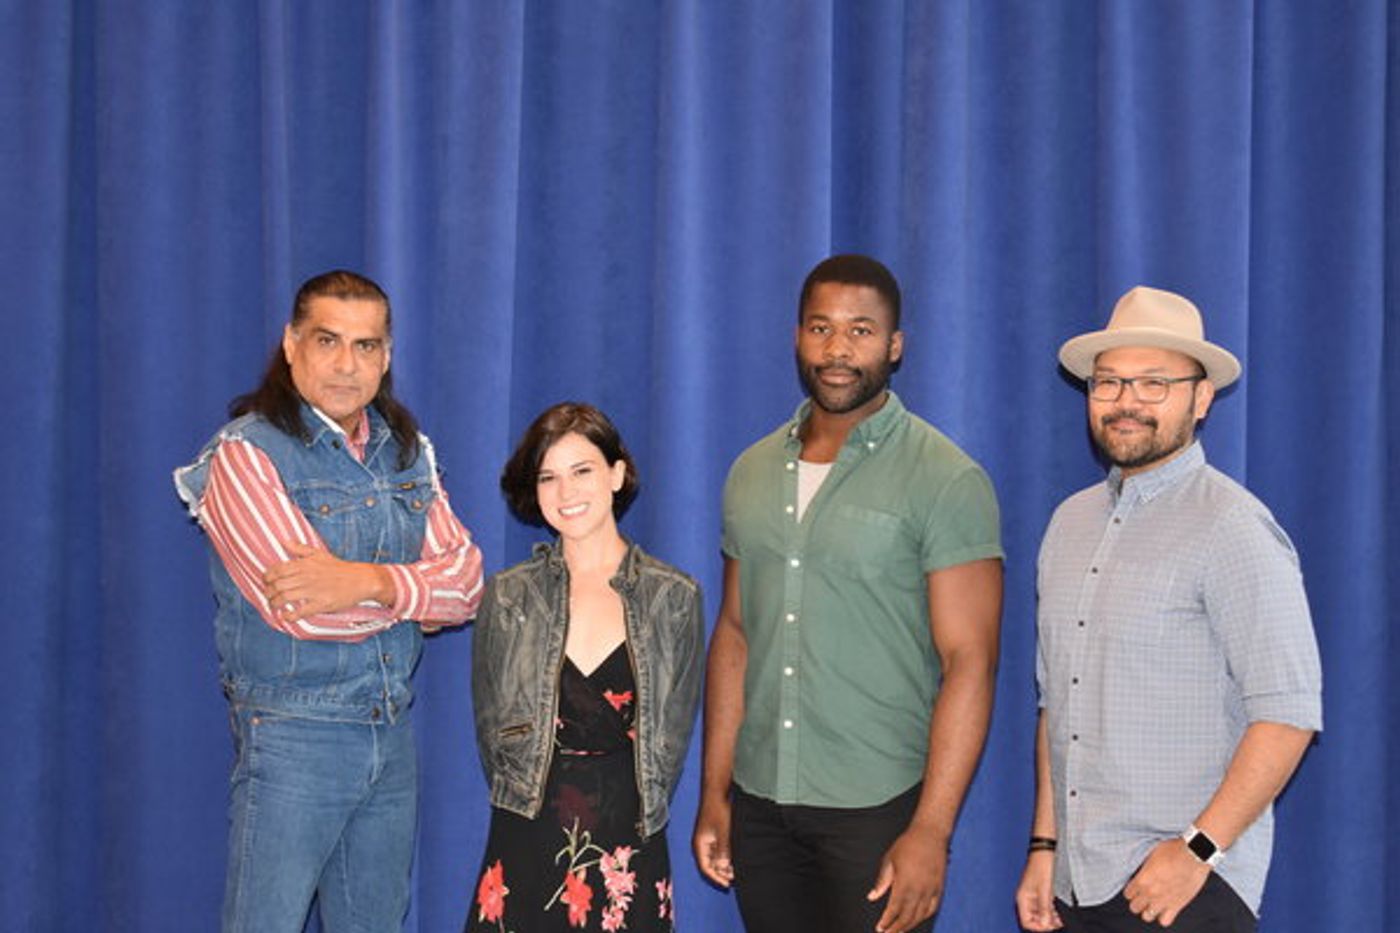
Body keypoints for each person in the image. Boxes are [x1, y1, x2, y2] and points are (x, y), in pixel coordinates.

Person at [692, 254, 1004, 933]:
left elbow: (970, 662)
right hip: (762, 805)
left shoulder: (946, 479)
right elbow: (737, 632)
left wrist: (932, 828)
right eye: (821, 328)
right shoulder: (749, 472)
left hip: (879, 812)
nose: (838, 349)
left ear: (895, 345)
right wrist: (715, 791)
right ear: (798, 337)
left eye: (861, 330)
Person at [173, 269, 484, 933]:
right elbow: (305, 609)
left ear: (387, 356)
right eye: (328, 340)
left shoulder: (407, 453)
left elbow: (467, 585)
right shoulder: (244, 456)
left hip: (390, 734)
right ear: (291, 344)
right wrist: (411, 590)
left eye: (366, 346)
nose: (348, 364)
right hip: (292, 740)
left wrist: (367, 581)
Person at [1015, 286, 1323, 933]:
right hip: (1078, 878)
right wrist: (1045, 846)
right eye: (1110, 382)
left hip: (1185, 890)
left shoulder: (1234, 527)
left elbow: (1289, 713)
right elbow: (1056, 706)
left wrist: (1197, 849)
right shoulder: (1068, 524)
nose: (1126, 401)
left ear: (1201, 397)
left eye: (1154, 383)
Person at [467, 402, 705, 932]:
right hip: (526, 835)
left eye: (582, 471)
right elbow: (492, 737)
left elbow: (672, 744)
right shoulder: (508, 598)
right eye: (548, 476)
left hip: (629, 842)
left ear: (617, 474)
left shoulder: (674, 598)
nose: (566, 492)